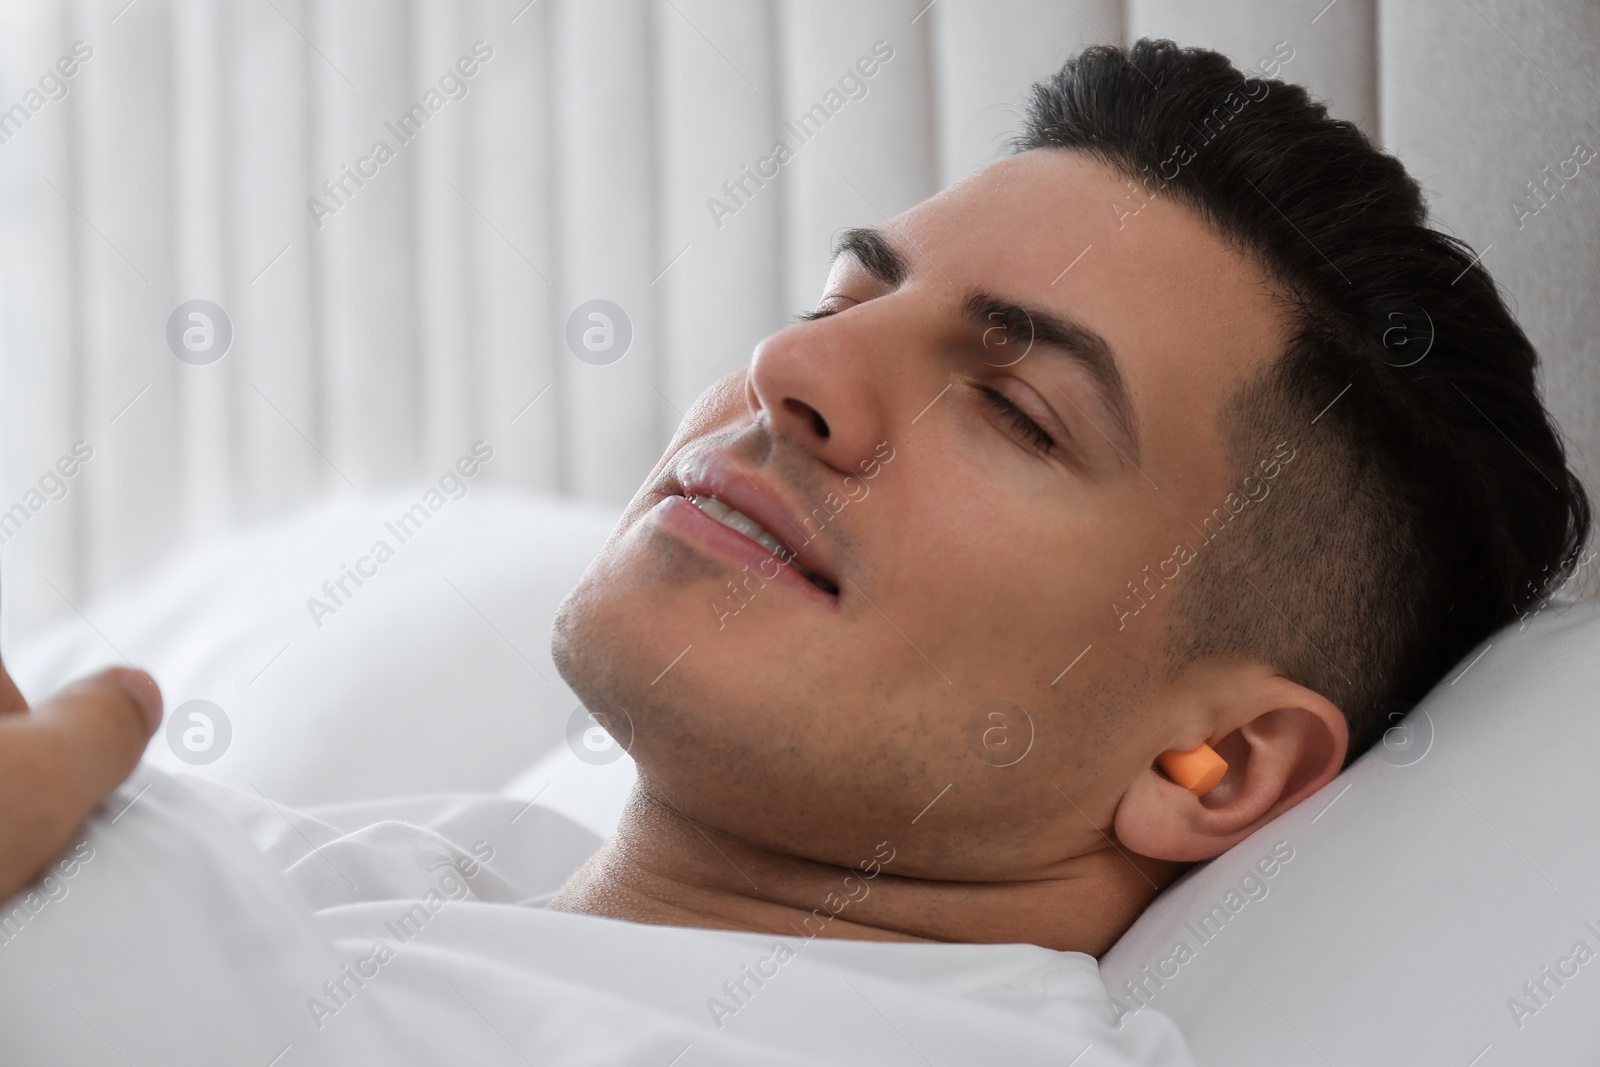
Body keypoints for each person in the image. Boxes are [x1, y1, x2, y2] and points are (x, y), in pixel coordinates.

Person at [0, 38, 1589, 1066]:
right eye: (843, 298)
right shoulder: (409, 878)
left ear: (1221, 765)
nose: (794, 370)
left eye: (1019, 413)